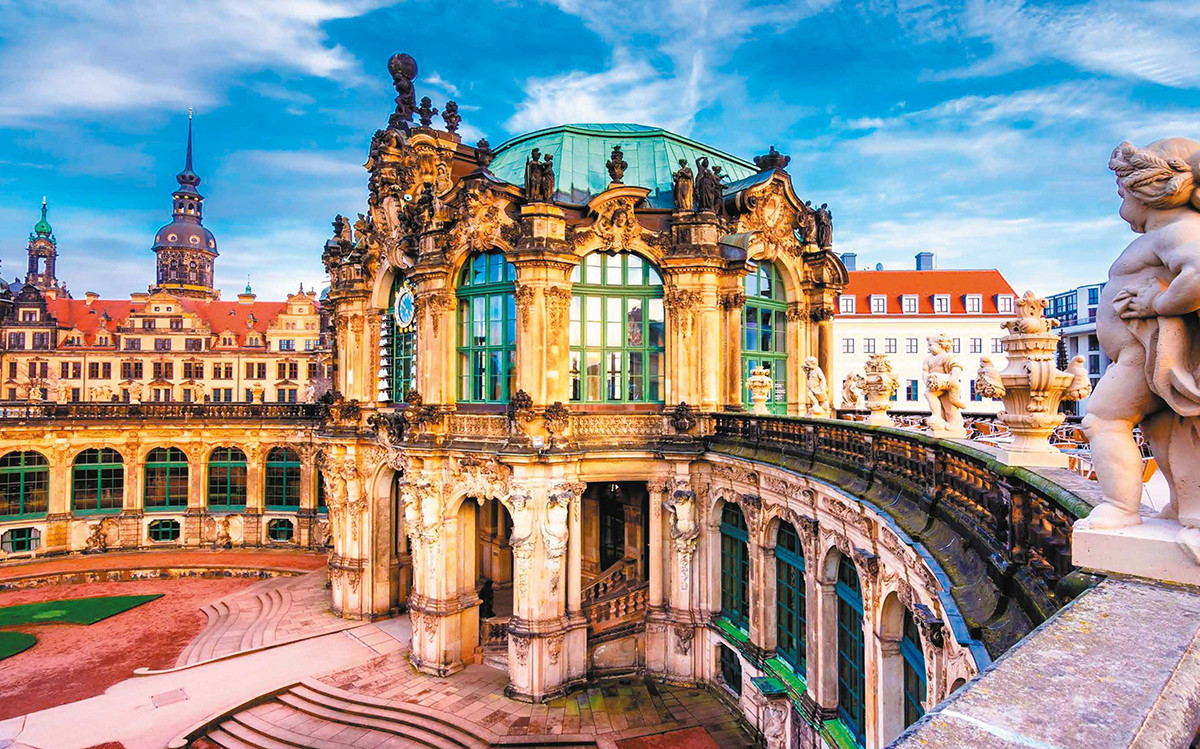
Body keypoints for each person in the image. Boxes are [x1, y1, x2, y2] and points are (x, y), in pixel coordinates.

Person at [1082, 138, 1200, 545]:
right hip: (1144, 353)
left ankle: (1120, 507)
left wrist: (1157, 303)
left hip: (1147, 351)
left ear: (1147, 189)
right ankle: (1188, 506)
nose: (1120, 198)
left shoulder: (1178, 230)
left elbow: (1198, 273)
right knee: (1164, 430)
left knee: (1103, 418)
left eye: (1121, 189)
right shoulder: (1166, 234)